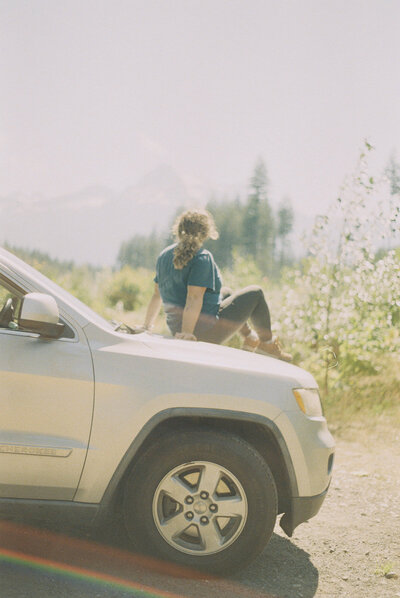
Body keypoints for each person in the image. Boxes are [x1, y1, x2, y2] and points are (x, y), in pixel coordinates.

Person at [143, 209, 292, 361]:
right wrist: (187, 333)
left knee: (226, 292)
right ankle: (267, 345)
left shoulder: (164, 256)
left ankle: (250, 337)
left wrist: (146, 327)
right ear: (206, 232)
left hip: (177, 328)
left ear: (179, 230)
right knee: (256, 293)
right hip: (202, 332)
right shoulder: (202, 257)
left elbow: (157, 295)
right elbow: (193, 297)